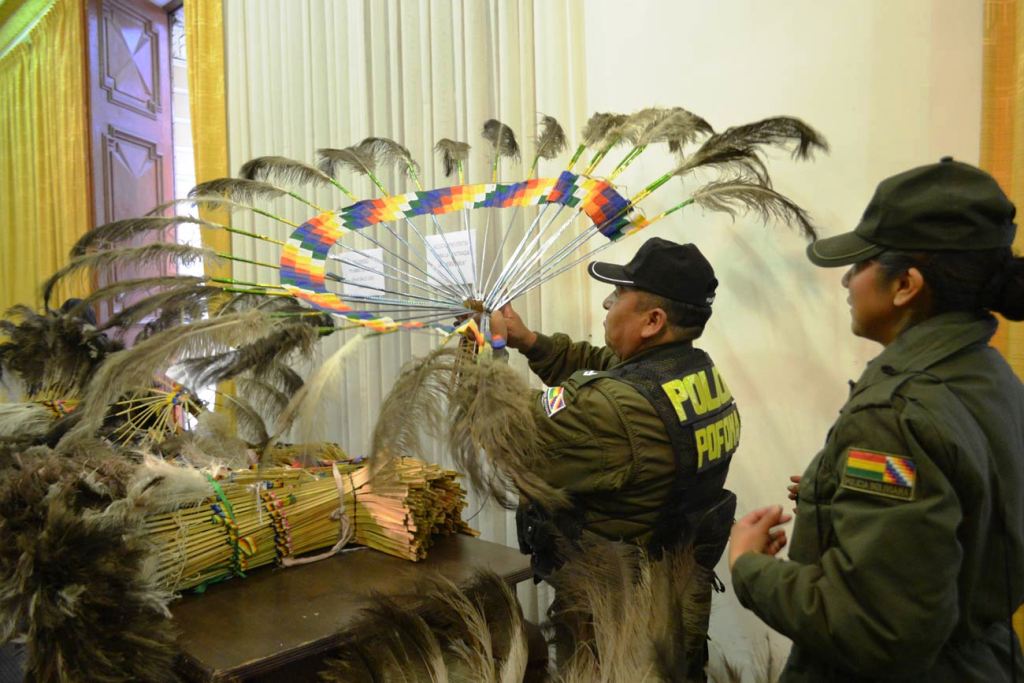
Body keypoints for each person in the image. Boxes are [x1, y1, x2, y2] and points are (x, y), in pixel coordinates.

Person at [728, 157, 1024, 682]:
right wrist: (835, 496)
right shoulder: (990, 376)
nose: (846, 280)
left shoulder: (895, 414)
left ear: (906, 284)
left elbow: (877, 630)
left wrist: (750, 568)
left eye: (861, 264)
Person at [491, 236, 739, 677]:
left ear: (652, 320)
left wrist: (481, 361)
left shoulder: (615, 411)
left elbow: (513, 431)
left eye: (619, 295)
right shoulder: (692, 373)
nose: (608, 303)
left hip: (614, 620)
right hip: (673, 601)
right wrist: (528, 341)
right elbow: (604, 366)